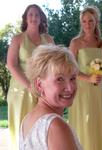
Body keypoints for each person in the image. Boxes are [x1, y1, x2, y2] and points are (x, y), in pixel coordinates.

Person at [7, 4, 54, 150]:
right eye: (30, 15)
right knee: (23, 126)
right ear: (25, 19)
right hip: (21, 90)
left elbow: (55, 62)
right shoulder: (18, 39)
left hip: (44, 90)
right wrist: (29, 86)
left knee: (44, 126)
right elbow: (11, 64)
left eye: (37, 15)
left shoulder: (48, 39)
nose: (33, 18)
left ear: (41, 18)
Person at [19, 44, 83, 150]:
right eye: (59, 79)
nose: (70, 88)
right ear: (39, 84)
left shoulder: (28, 119)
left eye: (72, 78)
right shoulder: (56, 126)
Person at [68, 6, 102, 150]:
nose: (87, 24)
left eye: (90, 21)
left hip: (98, 90)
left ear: (96, 21)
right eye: (84, 21)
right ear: (81, 23)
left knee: (96, 122)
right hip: (82, 90)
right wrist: (88, 78)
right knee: (84, 123)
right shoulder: (75, 43)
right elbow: (70, 69)